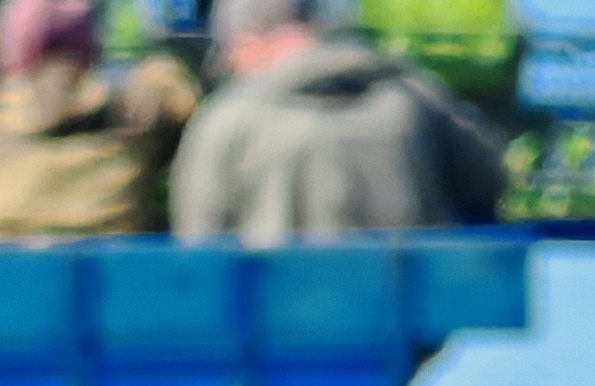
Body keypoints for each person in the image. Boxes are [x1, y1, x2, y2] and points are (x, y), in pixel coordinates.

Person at [170, 0, 506, 246]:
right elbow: (486, 182)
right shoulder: (415, 98)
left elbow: (198, 241)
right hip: (397, 318)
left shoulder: (226, 119)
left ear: (248, 41)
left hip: (274, 326)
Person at [0, 0, 204, 242]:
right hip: (117, 278)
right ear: (91, 46)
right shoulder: (136, 109)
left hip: (2, 279)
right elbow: (185, 102)